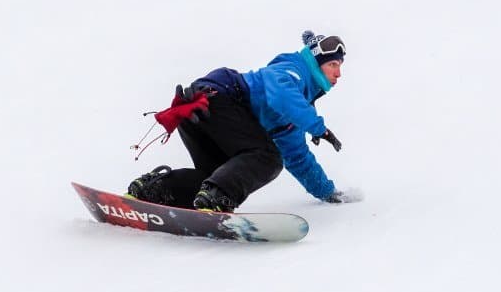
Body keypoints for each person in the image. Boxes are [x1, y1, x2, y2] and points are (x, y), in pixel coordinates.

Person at [126, 31, 349, 212]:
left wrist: (328, 193)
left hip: (203, 113)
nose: (338, 73)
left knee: (217, 177)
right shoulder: (294, 69)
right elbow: (282, 94)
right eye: (333, 64)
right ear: (315, 61)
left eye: (340, 66)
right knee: (268, 158)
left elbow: (298, 158)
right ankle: (218, 199)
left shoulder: (293, 113)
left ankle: (155, 189)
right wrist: (318, 128)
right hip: (217, 99)